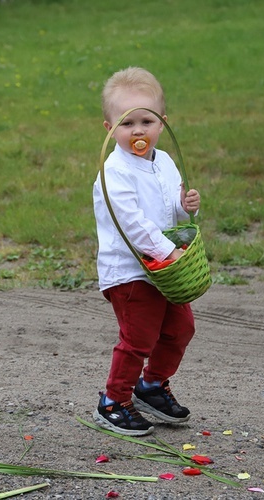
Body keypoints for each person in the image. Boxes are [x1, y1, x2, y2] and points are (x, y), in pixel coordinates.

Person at [92, 67, 201, 436]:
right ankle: (114, 400)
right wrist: (168, 252)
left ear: (162, 123)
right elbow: (134, 225)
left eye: (146, 121)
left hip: (165, 267)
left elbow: (170, 211)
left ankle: (152, 385)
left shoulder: (165, 160)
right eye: (127, 123)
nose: (138, 131)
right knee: (139, 337)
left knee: (180, 329)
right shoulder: (114, 172)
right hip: (131, 271)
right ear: (109, 128)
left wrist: (187, 206)